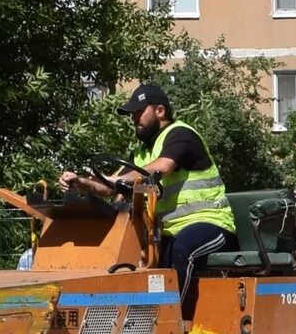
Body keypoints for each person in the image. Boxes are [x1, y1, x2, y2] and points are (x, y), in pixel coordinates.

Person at [62, 82, 238, 314]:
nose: (134, 119)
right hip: (167, 233)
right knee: (136, 257)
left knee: (180, 249)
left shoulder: (181, 134)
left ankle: (173, 323)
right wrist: (81, 183)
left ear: (160, 111)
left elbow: (161, 167)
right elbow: (111, 186)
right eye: (132, 114)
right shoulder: (142, 152)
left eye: (139, 112)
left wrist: (114, 180)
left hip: (212, 225)